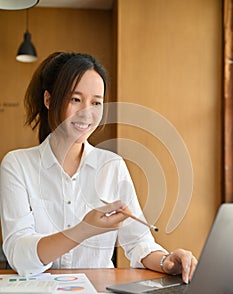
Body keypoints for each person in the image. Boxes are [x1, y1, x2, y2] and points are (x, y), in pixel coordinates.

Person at [0, 52, 197, 281]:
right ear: (48, 100)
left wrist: (167, 261)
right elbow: (19, 256)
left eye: (96, 102)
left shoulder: (112, 166)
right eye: (75, 99)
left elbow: (138, 242)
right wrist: (83, 230)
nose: (87, 112)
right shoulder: (17, 165)